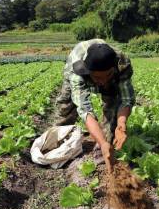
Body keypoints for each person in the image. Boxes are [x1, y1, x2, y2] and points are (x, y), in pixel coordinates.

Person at [55, 39, 135, 173]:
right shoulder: (77, 72)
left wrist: (122, 123)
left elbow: (126, 99)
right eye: (98, 78)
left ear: (114, 68)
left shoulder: (122, 65)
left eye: (108, 75)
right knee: (66, 105)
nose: (103, 82)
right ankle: (60, 139)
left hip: (109, 68)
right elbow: (85, 109)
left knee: (113, 103)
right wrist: (102, 142)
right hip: (77, 61)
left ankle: (105, 147)